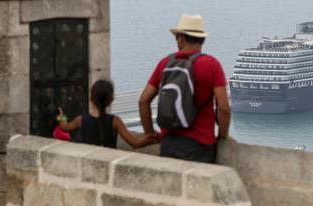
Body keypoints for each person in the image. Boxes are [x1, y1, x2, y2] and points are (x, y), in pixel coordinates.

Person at [139, 14, 231, 163]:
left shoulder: (165, 63)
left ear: (181, 38)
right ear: (202, 39)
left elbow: (143, 101)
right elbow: (224, 108)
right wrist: (223, 136)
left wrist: (149, 133)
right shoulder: (212, 65)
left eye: (177, 38)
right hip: (200, 146)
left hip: (168, 143)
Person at [57, 79, 158, 149]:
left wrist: (60, 116)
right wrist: (152, 138)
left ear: (91, 98)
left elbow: (65, 127)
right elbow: (135, 143)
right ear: (110, 100)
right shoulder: (115, 121)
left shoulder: (80, 120)